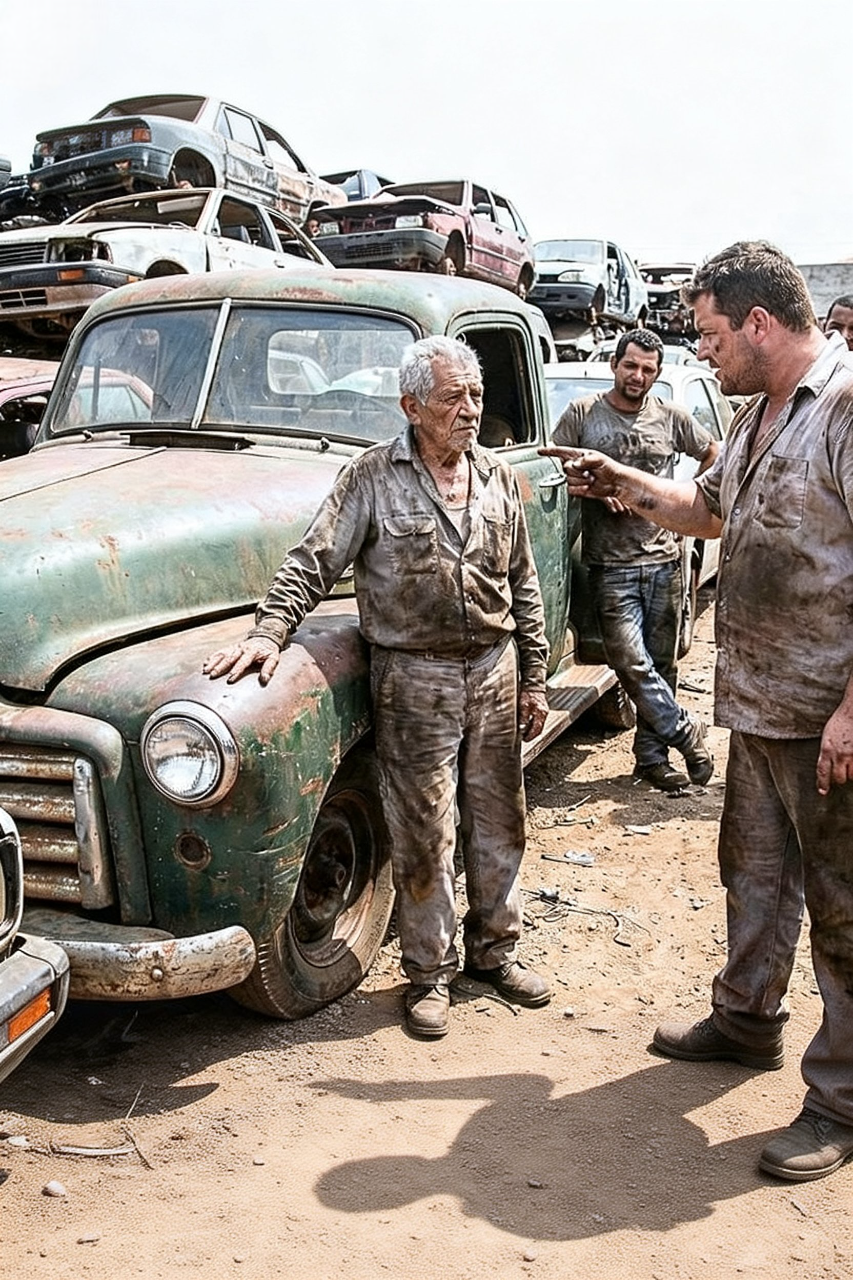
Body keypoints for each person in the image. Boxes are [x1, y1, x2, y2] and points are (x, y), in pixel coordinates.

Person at [543, 240, 853, 1183]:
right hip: (759, 703)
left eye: (713, 335)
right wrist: (621, 482)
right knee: (753, 874)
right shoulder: (758, 414)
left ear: (759, 323)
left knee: (844, 907)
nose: (702, 352)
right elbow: (709, 510)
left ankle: (842, 1099)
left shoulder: (842, 408)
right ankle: (746, 1018)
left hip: (826, 718)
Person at [204, 335, 552, 1039]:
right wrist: (267, 634)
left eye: (476, 395)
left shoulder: (494, 478)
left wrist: (534, 674)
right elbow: (312, 560)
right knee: (422, 833)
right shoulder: (370, 477)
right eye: (453, 397)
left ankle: (496, 952)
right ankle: (430, 973)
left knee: (499, 821)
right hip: (412, 677)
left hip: (493, 667)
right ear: (410, 405)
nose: (469, 410)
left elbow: (523, 583)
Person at [552, 328, 718, 792]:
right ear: (614, 365)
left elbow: (712, 455)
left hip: (665, 559)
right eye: (631, 365)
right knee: (629, 662)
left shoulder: (671, 418)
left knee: (662, 664)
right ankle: (686, 730)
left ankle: (651, 758)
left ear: (657, 374)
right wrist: (594, 488)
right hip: (610, 565)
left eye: (648, 369)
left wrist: (683, 501)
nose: (638, 376)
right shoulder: (583, 414)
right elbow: (555, 466)